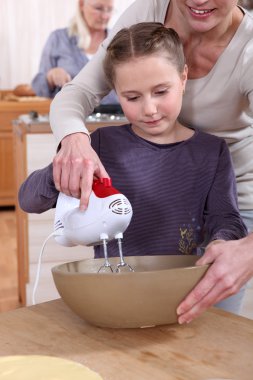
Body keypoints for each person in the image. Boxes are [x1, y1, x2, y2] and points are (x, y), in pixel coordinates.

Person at [19, 23, 247, 313]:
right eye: (133, 97)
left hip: (179, 296)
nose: (149, 109)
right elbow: (28, 200)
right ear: (116, 92)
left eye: (161, 91)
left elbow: (227, 219)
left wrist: (222, 241)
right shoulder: (100, 146)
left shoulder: (212, 152)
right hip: (112, 297)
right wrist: (61, 170)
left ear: (183, 78)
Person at [31, 0, 118, 105]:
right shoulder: (58, 39)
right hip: (71, 116)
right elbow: (38, 88)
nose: (105, 16)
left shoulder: (118, 40)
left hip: (116, 117)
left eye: (109, 10)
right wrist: (50, 77)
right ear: (81, 5)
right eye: (98, 8)